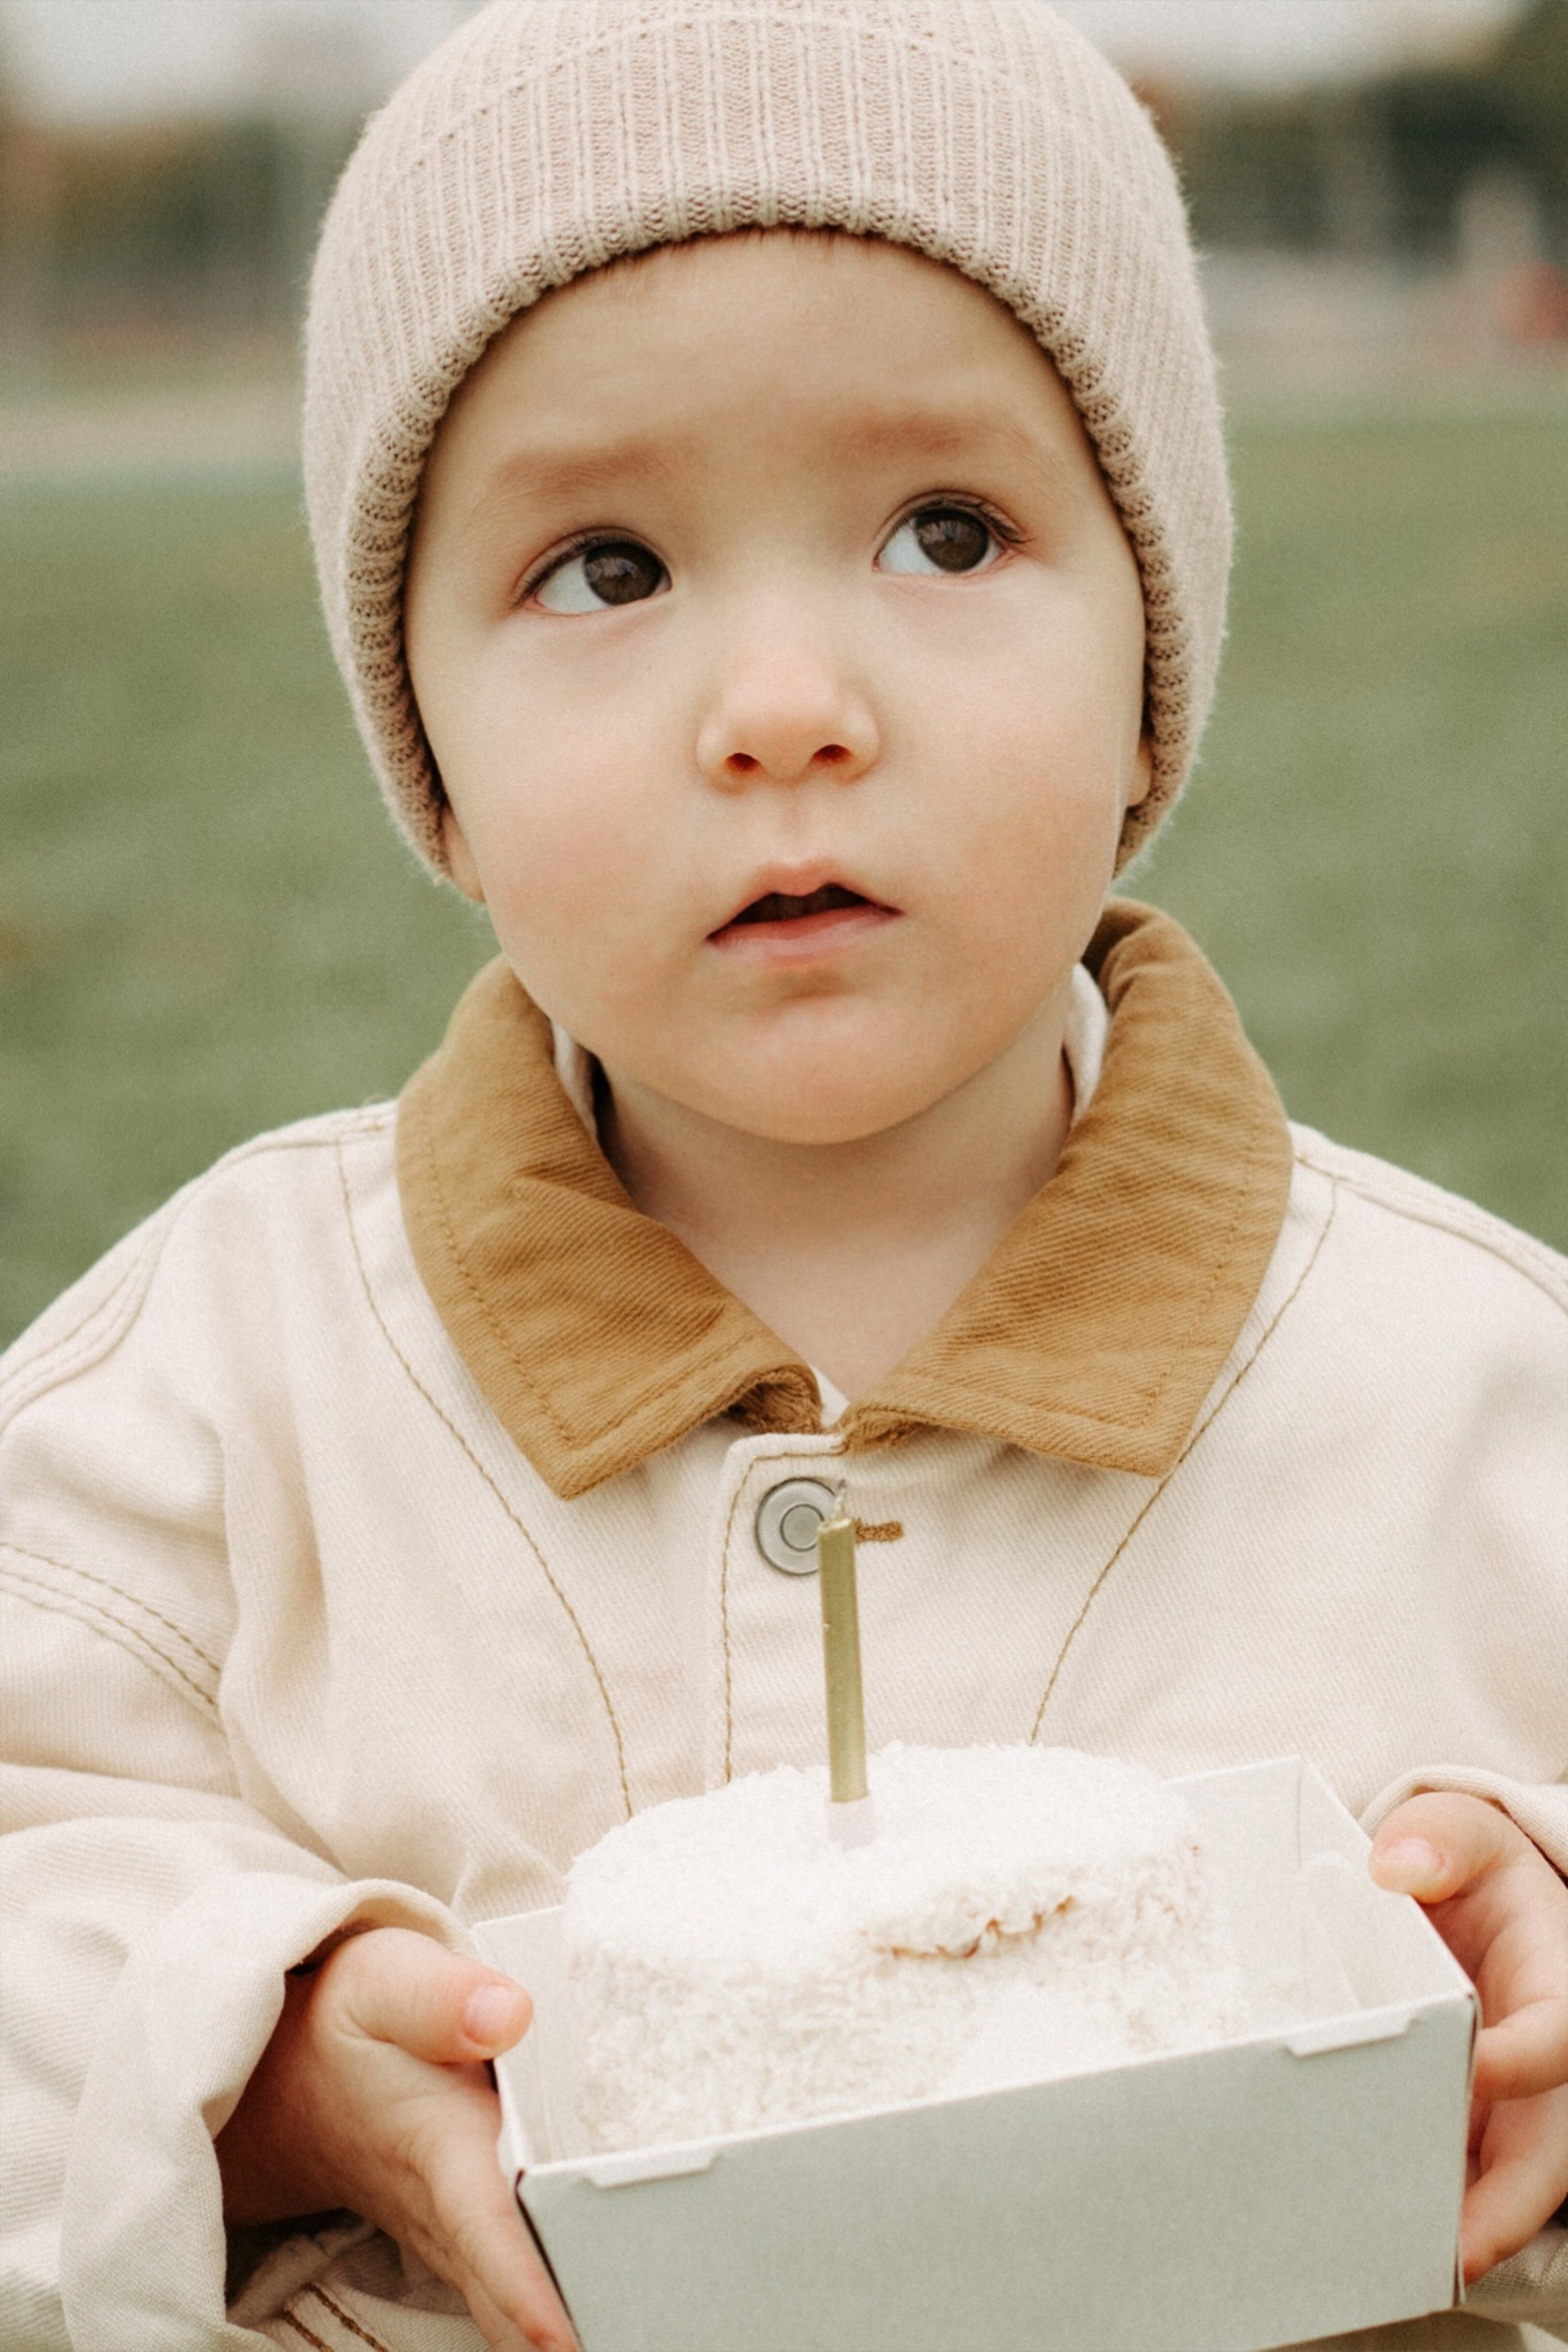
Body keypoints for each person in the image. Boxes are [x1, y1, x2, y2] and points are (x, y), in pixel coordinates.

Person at [2, 2, 1564, 2348]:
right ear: (427, 753)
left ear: (1154, 663)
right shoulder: (214, 1395)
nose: (784, 707)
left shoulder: (1483, 1397)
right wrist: (261, 2068)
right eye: (605, 567)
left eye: (948, 531)